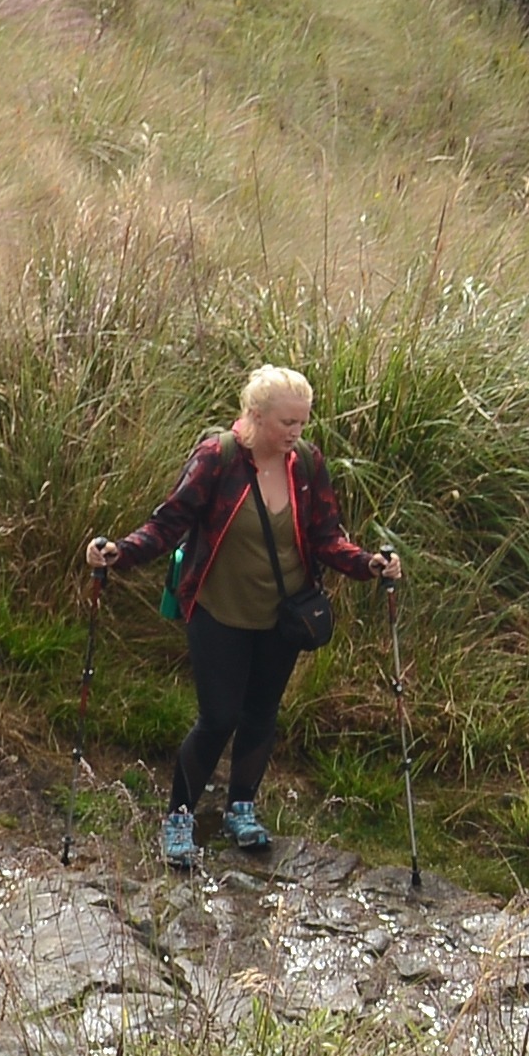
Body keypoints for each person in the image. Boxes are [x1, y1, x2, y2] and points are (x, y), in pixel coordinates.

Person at [81, 364, 397, 862]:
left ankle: (241, 808)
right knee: (218, 717)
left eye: (301, 423)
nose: (295, 433)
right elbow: (170, 522)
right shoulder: (219, 458)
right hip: (219, 610)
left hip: (284, 615)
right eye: (285, 423)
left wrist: (368, 565)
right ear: (255, 416)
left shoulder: (308, 464)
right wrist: (120, 552)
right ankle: (179, 817)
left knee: (261, 715)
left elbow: (325, 536)